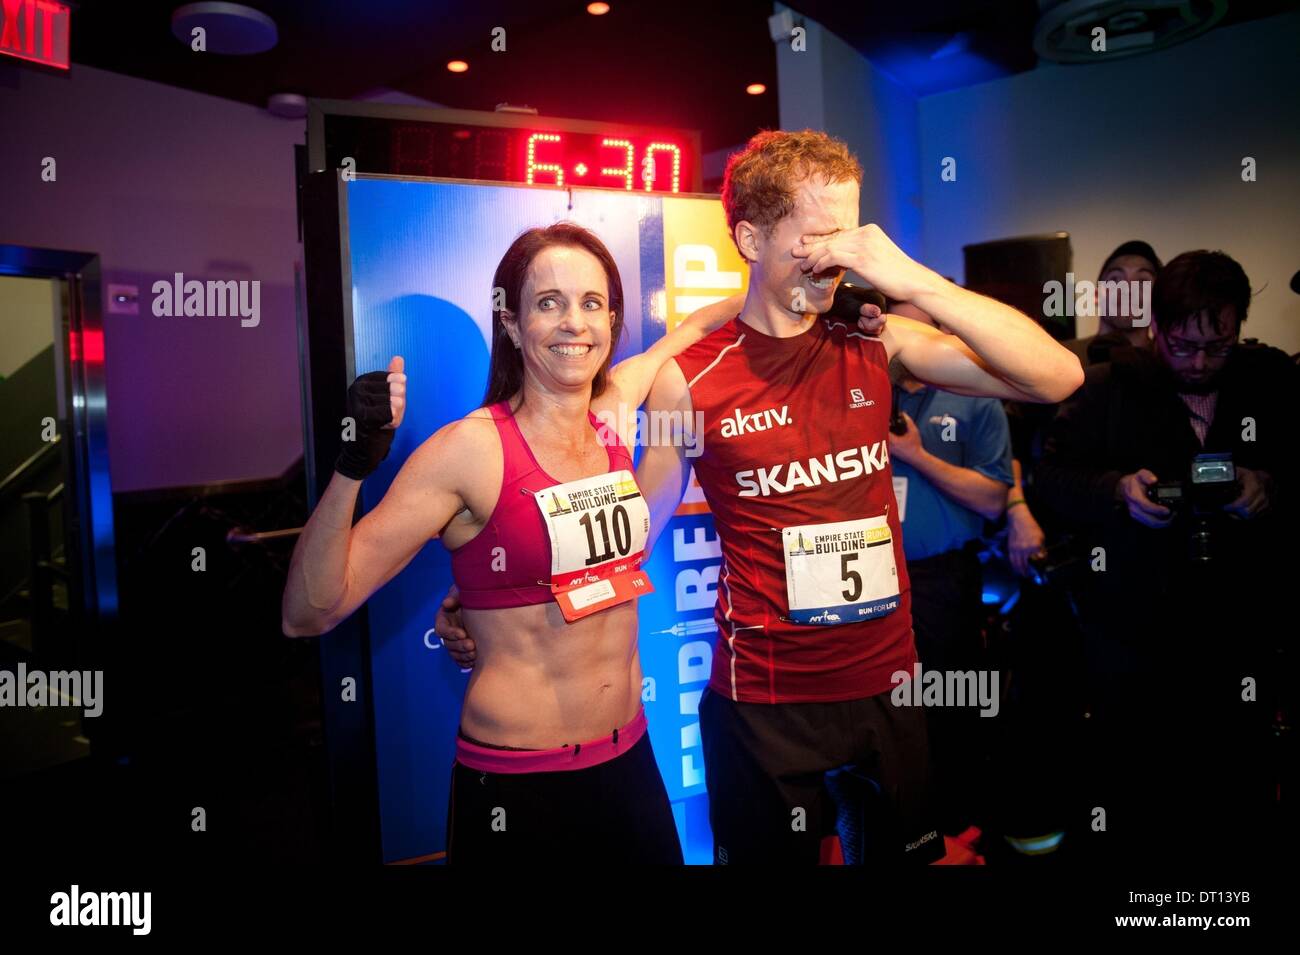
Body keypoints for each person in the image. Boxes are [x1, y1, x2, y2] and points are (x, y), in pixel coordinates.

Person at [442, 132, 1080, 865]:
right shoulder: (691, 377)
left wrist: (911, 278)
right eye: (816, 237)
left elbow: (1056, 377)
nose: (835, 258)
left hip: (889, 688)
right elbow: (634, 525)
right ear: (750, 237)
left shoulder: (878, 343)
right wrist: (494, 595)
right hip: (761, 703)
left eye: (849, 236)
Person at [280, 222, 759, 863]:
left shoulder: (612, 415)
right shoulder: (469, 450)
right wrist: (351, 467)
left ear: (613, 321)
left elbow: (695, 329)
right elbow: (309, 610)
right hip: (518, 790)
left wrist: (808, 297)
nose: (574, 323)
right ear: (511, 323)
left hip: (630, 765)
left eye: (591, 303)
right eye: (548, 303)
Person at [1033, 249, 1298, 861]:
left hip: (1241, 624)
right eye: (1183, 346)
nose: (1200, 362)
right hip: (1134, 627)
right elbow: (1050, 479)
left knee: (1239, 787)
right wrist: (1117, 491)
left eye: (1218, 346)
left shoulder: (1271, 380)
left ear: (1239, 328)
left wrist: (1269, 486)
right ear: (1155, 327)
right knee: (1139, 791)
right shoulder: (1106, 387)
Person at [885, 302, 1015, 844]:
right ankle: (900, 833)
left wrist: (916, 456)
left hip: (945, 582)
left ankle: (956, 835)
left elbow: (992, 499)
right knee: (891, 716)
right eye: (898, 322)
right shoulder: (864, 389)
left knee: (950, 709)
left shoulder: (977, 397)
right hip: (874, 585)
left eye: (923, 324)